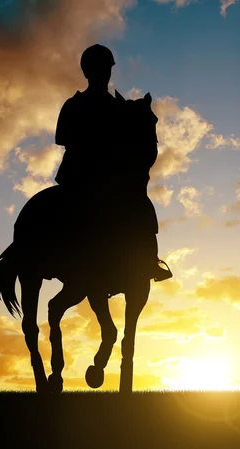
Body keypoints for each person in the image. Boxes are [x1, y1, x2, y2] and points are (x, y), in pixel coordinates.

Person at [54, 43, 172, 284]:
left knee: (143, 206)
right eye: (98, 68)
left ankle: (149, 260)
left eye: (106, 68)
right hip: (79, 175)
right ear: (87, 72)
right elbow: (61, 138)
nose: (103, 73)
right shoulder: (73, 104)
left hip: (111, 176)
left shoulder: (122, 106)